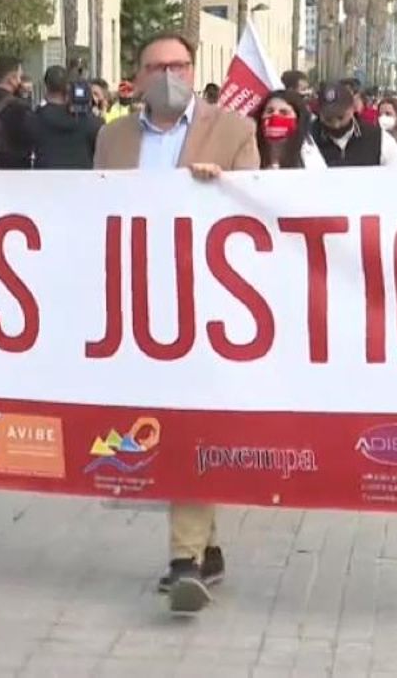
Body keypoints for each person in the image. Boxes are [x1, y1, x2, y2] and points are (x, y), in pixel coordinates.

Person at [93, 31, 257, 614]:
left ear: (194, 69)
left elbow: (258, 210)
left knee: (190, 424)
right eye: (156, 66)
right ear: (135, 76)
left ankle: (185, 559)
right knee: (160, 422)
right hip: (138, 305)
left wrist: (225, 189)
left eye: (179, 64)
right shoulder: (112, 138)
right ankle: (206, 551)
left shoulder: (234, 131)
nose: (168, 74)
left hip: (208, 307)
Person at [309, 83, 397, 168]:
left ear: (352, 109)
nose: (336, 125)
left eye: (341, 117)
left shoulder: (378, 138)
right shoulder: (308, 140)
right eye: (328, 119)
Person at [28, 65, 101, 169]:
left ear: (46, 86)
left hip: (46, 181)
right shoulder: (88, 120)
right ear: (68, 87)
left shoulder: (35, 118)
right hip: (81, 181)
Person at [255, 90, 324, 170]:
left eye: (284, 112)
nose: (275, 115)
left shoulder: (309, 154)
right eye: (270, 111)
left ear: (298, 120)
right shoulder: (250, 149)